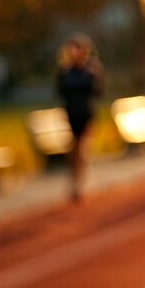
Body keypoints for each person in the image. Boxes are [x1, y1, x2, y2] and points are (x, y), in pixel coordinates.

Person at [55, 33, 103, 202]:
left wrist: (95, 76)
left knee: (81, 149)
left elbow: (98, 92)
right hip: (71, 114)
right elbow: (60, 92)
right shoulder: (64, 71)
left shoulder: (90, 70)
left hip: (85, 114)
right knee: (73, 150)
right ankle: (74, 182)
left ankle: (78, 184)